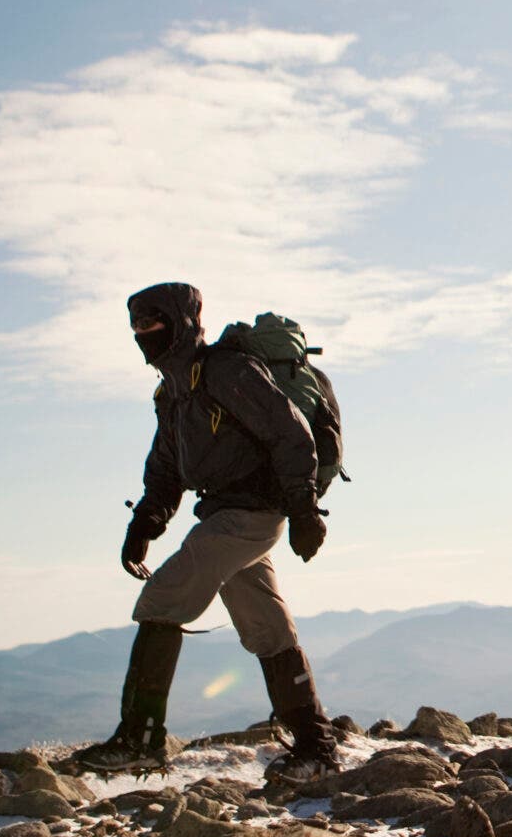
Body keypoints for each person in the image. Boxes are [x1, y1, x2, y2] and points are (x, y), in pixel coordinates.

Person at [71, 282, 336, 775]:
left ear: (179, 321)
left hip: (253, 512)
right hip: (224, 514)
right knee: (267, 628)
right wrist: (145, 522)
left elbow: (290, 433)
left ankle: (140, 739)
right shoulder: (174, 390)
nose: (141, 333)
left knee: (161, 601)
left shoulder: (228, 371)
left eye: (150, 322)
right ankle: (316, 745)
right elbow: (166, 468)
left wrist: (304, 510)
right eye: (135, 325)